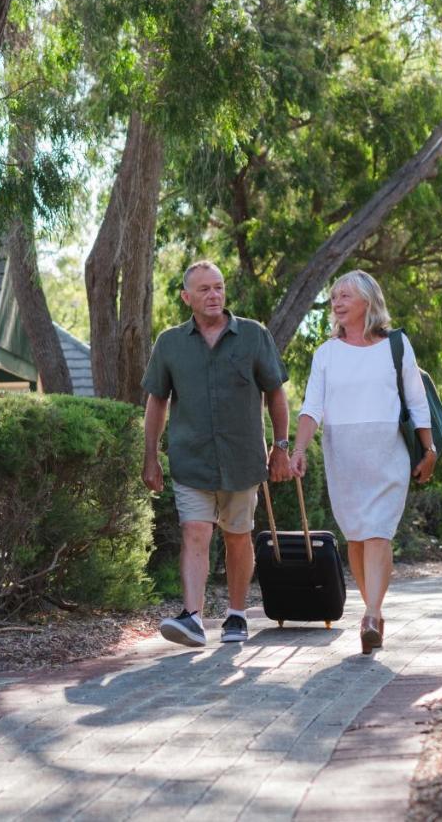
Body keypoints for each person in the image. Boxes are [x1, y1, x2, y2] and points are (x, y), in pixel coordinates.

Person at [142, 260, 292, 647]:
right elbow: (156, 402)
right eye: (204, 289)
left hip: (243, 460)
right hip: (190, 459)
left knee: (237, 536)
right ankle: (192, 617)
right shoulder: (170, 343)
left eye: (219, 287)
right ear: (186, 297)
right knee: (194, 531)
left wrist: (281, 446)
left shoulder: (254, 336)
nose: (214, 295)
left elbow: (276, 392)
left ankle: (237, 614)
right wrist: (150, 456)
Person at [289, 270, 436, 654]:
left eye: (345, 296)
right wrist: (300, 450)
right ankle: (372, 611)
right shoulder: (326, 353)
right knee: (356, 536)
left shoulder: (396, 346)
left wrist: (429, 449)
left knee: (377, 532)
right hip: (344, 454)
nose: (336, 302)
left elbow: (417, 402)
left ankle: (372, 613)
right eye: (334, 296)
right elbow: (311, 408)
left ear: (368, 302)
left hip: (388, 450)